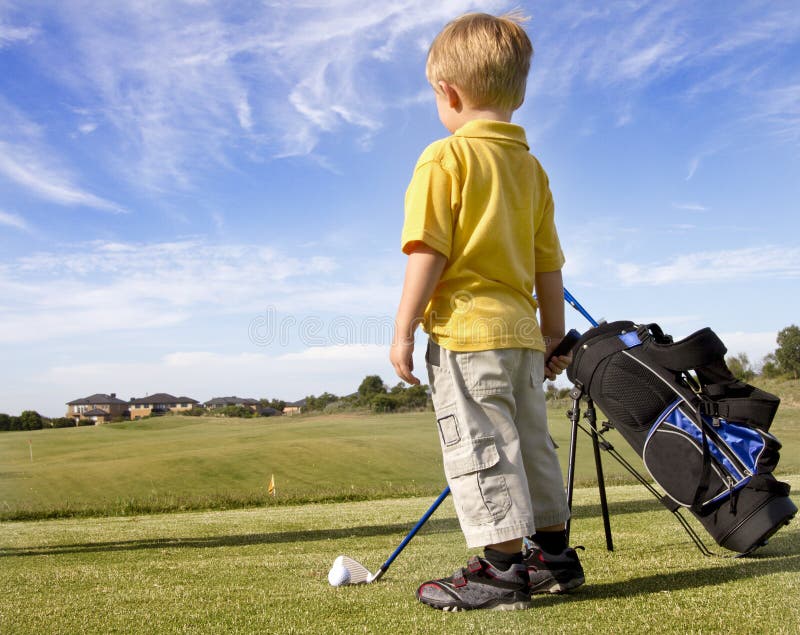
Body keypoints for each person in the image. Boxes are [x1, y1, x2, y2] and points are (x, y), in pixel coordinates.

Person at [390, 12, 584, 611]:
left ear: (448, 92)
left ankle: (501, 569)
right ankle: (554, 558)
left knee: (483, 450)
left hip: (467, 338)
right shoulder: (532, 169)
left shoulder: (442, 158)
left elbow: (428, 250)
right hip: (524, 339)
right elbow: (548, 266)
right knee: (532, 447)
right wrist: (555, 337)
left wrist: (402, 331)